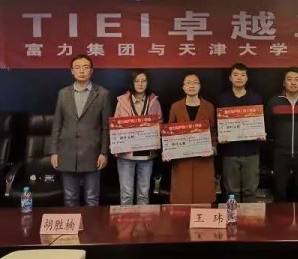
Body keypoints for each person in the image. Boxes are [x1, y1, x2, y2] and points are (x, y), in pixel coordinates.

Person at [49, 54, 111, 207]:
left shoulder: (103, 94)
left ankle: (92, 224)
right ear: (72, 71)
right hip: (67, 152)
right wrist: (54, 151)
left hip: (92, 153)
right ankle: (73, 224)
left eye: (85, 67)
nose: (81, 71)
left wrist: (104, 153)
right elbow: (57, 124)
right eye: (77, 67)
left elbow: (106, 127)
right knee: (70, 198)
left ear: (91, 70)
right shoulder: (63, 93)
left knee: (92, 198)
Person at [265, 67, 298, 201]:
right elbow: (269, 126)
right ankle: (280, 215)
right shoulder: (274, 102)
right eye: (289, 79)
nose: (293, 82)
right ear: (284, 83)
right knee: (280, 191)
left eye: (297, 79)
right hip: (280, 152)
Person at [113, 70, 163, 206]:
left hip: (146, 155)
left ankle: (143, 220)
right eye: (137, 81)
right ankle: (126, 221)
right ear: (132, 83)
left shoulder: (154, 102)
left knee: (143, 193)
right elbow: (115, 126)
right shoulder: (122, 101)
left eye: (143, 81)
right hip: (126, 154)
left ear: (148, 83)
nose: (140, 84)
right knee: (126, 194)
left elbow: (160, 125)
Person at [165, 73, 217, 204]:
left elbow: (213, 131)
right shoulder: (175, 107)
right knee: (182, 195)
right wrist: (168, 151)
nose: (192, 85)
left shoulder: (209, 107)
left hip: (203, 160)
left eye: (195, 82)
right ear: (183, 87)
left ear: (200, 86)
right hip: (182, 160)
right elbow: (169, 132)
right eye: (188, 83)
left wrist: (213, 147)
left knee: (203, 194)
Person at [217, 63, 264, 203]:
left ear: (247, 78)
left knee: (250, 191)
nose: (239, 78)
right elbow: (218, 125)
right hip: (229, 152)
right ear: (230, 78)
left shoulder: (256, 98)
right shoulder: (222, 99)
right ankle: (232, 217)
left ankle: (249, 218)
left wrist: (261, 133)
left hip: (251, 152)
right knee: (231, 192)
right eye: (236, 75)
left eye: (243, 75)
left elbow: (261, 123)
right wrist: (221, 136)